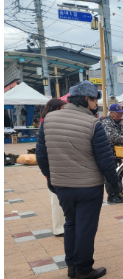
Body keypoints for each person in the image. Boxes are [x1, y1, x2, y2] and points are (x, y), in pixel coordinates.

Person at [36, 81, 121, 279]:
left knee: (71, 223)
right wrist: (115, 184)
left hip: (62, 186)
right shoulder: (93, 123)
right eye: (94, 100)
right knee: (86, 227)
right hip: (88, 187)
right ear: (86, 99)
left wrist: (51, 179)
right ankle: (84, 270)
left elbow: (41, 155)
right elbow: (105, 160)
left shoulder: (48, 120)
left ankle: (72, 266)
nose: (96, 104)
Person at [40, 98, 67, 236]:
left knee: (62, 198)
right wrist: (47, 172)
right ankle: (59, 228)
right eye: (63, 108)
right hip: (53, 167)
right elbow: (41, 151)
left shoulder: (56, 122)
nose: (65, 111)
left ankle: (65, 225)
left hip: (61, 166)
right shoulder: (47, 124)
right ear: (55, 109)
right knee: (56, 199)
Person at [101, 104, 123, 204]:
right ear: (111, 113)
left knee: (119, 174)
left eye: (121, 114)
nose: (120, 116)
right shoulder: (106, 122)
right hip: (107, 152)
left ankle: (119, 194)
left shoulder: (118, 122)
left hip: (116, 153)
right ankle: (112, 197)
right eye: (118, 114)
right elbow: (111, 136)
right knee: (111, 175)